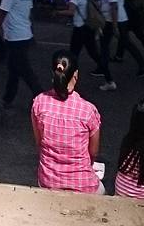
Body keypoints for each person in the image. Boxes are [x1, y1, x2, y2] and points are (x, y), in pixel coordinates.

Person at [32, 50, 103, 194]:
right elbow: (93, 152)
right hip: (82, 184)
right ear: (75, 75)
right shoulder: (88, 110)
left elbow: (39, 142)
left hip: (48, 181)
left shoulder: (39, 103)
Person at [98, 0, 144, 90]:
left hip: (112, 21)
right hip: (120, 19)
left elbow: (114, 6)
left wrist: (115, 25)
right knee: (127, 43)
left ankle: (107, 76)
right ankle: (143, 66)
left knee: (105, 46)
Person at [67, 0, 110, 81]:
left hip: (79, 27)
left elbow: (71, 11)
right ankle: (107, 75)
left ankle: (68, 77)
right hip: (88, 27)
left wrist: (57, 12)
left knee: (73, 53)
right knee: (93, 52)